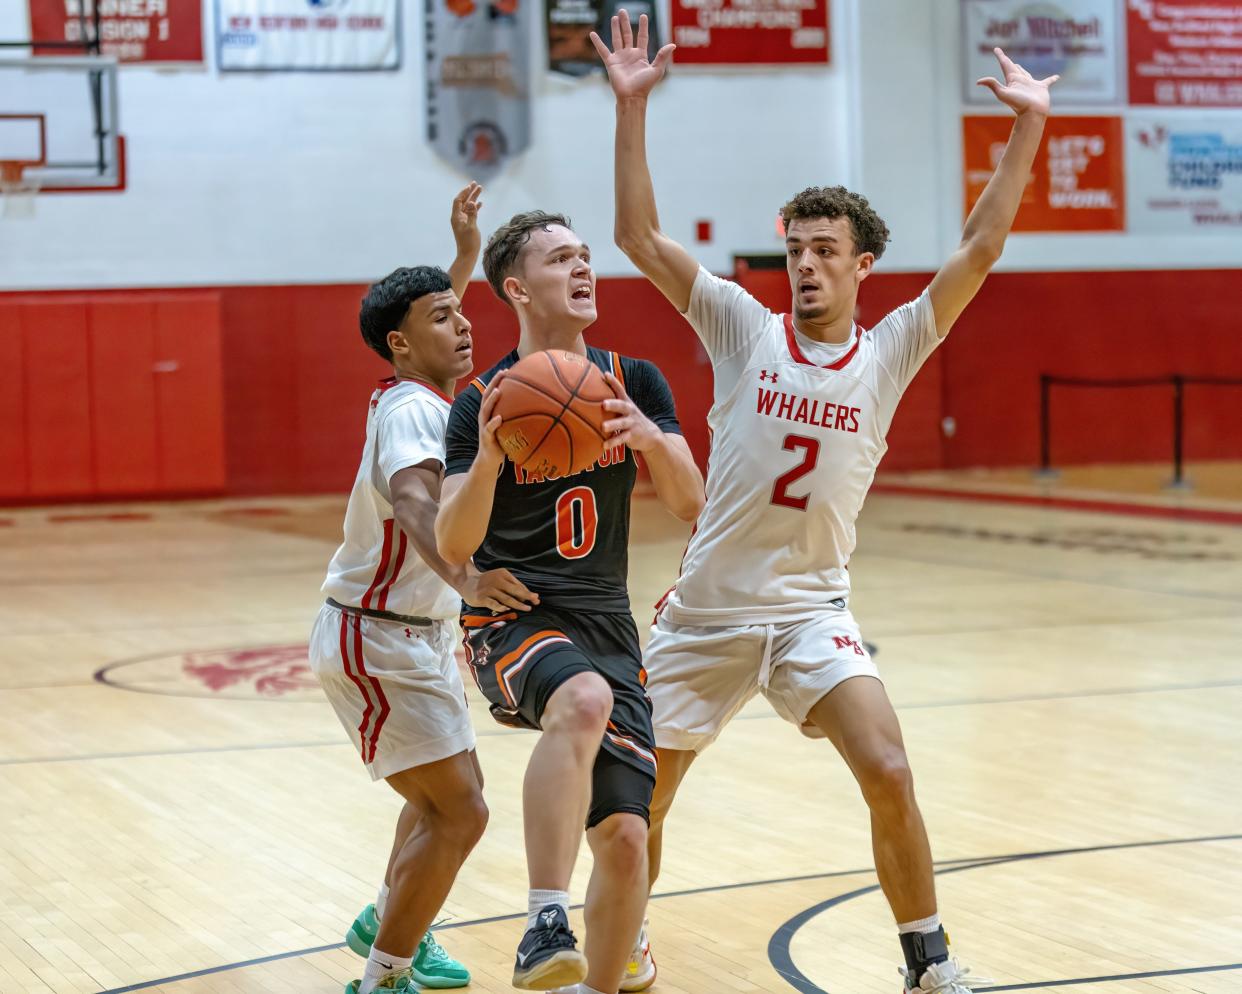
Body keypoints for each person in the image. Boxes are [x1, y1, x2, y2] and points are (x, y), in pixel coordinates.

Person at [593, 14, 1058, 993]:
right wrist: (632, 108)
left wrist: (1029, 126)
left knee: (888, 764)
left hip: (811, 608)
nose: (803, 263)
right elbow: (637, 235)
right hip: (710, 610)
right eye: (795, 247)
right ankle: (624, 944)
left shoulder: (890, 350)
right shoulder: (741, 326)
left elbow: (979, 247)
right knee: (643, 808)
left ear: (860, 266)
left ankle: (927, 959)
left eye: (824, 250)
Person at [436, 209, 704, 994]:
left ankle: (600, 980)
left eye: (586, 256)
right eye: (561, 260)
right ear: (517, 288)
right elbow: (454, 543)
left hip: (608, 623)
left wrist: (651, 440)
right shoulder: (480, 399)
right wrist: (487, 459)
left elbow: (692, 501)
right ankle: (545, 915)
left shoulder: (636, 378)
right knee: (581, 700)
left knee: (626, 836)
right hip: (513, 617)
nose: (584, 269)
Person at [309, 184, 540, 994]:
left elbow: (428, 312)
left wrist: (466, 254)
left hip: (412, 631)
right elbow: (414, 503)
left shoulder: (415, 388)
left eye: (461, 309)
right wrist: (470, 578)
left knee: (442, 799)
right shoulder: (412, 407)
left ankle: (388, 920)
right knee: (461, 810)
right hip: (379, 635)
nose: (464, 321)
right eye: (443, 317)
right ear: (401, 346)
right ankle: (383, 976)